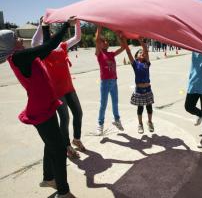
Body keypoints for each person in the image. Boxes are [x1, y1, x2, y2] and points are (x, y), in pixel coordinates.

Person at [0, 17, 77, 198]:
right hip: (41, 111)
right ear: (9, 44)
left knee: (52, 144)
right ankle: (63, 192)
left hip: (45, 106)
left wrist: (44, 27)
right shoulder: (19, 57)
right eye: (15, 37)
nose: (19, 39)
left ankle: (49, 178)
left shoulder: (22, 56)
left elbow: (45, 48)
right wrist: (66, 25)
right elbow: (48, 46)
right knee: (59, 150)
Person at [31, 18, 84, 158]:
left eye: (54, 33)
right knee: (65, 118)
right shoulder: (44, 50)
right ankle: (67, 146)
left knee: (78, 113)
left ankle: (76, 139)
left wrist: (77, 21)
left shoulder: (62, 46)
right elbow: (33, 43)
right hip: (56, 91)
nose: (53, 34)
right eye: (50, 33)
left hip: (69, 87)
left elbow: (77, 37)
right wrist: (41, 25)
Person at [120, 37, 155, 134]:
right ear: (136, 56)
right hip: (139, 90)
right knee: (140, 108)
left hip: (147, 89)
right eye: (139, 52)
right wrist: (124, 40)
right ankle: (140, 124)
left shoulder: (147, 63)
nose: (142, 53)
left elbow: (146, 51)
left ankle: (150, 122)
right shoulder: (135, 64)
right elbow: (128, 52)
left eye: (142, 52)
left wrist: (140, 40)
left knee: (149, 107)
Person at [95, 26, 125, 135]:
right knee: (103, 104)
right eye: (104, 41)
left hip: (114, 82)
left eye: (107, 41)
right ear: (100, 44)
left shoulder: (111, 54)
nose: (106, 42)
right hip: (105, 82)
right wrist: (99, 27)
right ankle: (100, 124)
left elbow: (123, 47)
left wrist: (118, 35)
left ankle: (116, 120)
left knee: (115, 102)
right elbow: (97, 40)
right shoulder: (99, 54)